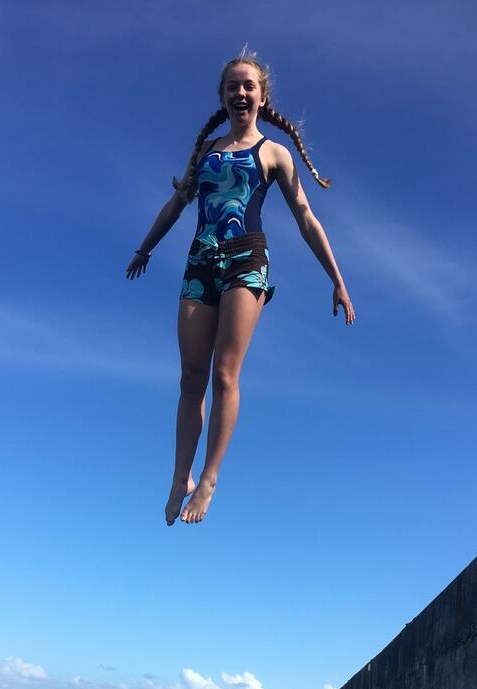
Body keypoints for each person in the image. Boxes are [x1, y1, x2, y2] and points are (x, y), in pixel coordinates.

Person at [126, 48, 355, 526]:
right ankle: (178, 478)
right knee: (191, 378)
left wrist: (337, 279)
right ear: (222, 96)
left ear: (262, 95)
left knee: (224, 372)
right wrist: (145, 248)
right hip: (200, 260)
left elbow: (306, 220)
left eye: (249, 85)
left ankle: (208, 479)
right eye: (233, 86)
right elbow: (176, 204)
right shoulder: (207, 152)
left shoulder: (274, 153)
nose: (241, 93)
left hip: (246, 259)